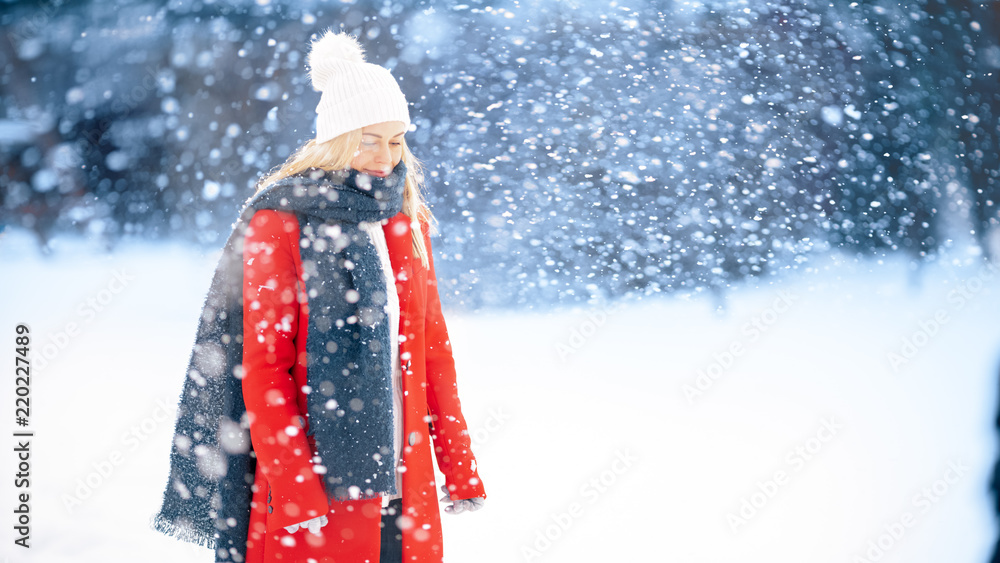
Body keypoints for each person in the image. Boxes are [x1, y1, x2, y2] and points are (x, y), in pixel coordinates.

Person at [153, 30, 485, 563]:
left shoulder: (405, 221)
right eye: (369, 138)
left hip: (407, 482)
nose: (385, 155)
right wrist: (296, 488)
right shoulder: (281, 222)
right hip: (319, 489)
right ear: (336, 137)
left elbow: (431, 353)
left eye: (396, 139)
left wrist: (458, 465)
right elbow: (263, 369)